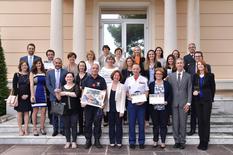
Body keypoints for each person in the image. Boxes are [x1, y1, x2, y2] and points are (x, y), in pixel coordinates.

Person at [167, 58, 192, 149]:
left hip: (184, 103)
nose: (179, 64)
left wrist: (188, 103)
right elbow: (168, 90)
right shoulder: (171, 76)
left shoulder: (188, 76)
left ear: (183, 64)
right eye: (178, 63)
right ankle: (176, 141)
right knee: (175, 123)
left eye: (181, 63)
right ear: (175, 65)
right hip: (173, 103)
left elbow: (189, 90)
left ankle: (182, 141)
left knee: (183, 123)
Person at [81, 63, 107, 149]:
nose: (95, 70)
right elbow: (83, 92)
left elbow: (104, 92)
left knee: (97, 123)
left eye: (96, 68)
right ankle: (88, 140)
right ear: (91, 69)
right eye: (93, 68)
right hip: (88, 106)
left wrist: (103, 103)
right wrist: (82, 101)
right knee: (88, 123)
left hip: (98, 107)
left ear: (98, 69)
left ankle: (97, 140)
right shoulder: (86, 79)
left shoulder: (102, 80)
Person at [124, 64, 149, 149]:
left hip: (141, 104)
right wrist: (130, 96)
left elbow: (146, 91)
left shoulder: (144, 79)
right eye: (134, 69)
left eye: (137, 69)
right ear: (132, 70)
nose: (135, 70)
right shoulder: (128, 79)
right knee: (131, 123)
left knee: (141, 123)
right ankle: (132, 142)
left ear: (140, 69)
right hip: (131, 104)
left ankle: (141, 141)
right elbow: (126, 91)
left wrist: (143, 100)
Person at [192, 60, 215, 150]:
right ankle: (201, 140)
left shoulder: (210, 75)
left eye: (201, 64)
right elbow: (195, 87)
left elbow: (213, 88)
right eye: (198, 65)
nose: (200, 66)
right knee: (200, 121)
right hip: (198, 101)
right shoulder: (195, 76)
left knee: (206, 121)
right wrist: (194, 92)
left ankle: (205, 141)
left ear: (204, 66)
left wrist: (211, 99)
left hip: (206, 101)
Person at [187, 51, 212, 136]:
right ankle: (192, 129)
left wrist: (210, 98)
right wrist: (195, 91)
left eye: (199, 56)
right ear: (193, 57)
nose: (197, 57)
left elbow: (210, 84)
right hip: (194, 95)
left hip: (205, 98)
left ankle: (204, 134)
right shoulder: (190, 66)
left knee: (204, 118)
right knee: (193, 114)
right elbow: (194, 81)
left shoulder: (207, 67)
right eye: (196, 56)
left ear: (202, 57)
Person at [56, 72, 81, 149]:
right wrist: (57, 93)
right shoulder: (62, 87)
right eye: (68, 77)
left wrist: (66, 93)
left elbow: (76, 94)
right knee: (66, 126)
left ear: (73, 78)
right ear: (65, 78)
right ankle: (67, 142)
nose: (69, 78)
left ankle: (74, 142)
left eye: (71, 77)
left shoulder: (76, 86)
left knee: (74, 126)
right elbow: (59, 98)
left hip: (74, 110)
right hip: (65, 110)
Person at [149, 68, 172, 148]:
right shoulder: (151, 84)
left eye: (160, 74)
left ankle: (163, 141)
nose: (158, 75)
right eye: (157, 74)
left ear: (162, 75)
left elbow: (170, 95)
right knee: (155, 125)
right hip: (154, 109)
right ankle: (155, 141)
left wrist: (167, 102)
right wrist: (151, 100)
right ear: (155, 75)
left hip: (164, 109)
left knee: (163, 125)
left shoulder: (167, 84)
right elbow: (149, 95)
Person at [46, 58, 68, 136]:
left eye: (59, 63)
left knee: (62, 113)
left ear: (61, 63)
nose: (57, 64)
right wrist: (55, 93)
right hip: (53, 96)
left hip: (62, 96)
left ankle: (62, 129)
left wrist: (60, 93)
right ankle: (55, 130)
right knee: (55, 114)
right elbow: (48, 85)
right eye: (56, 63)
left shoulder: (65, 72)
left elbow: (67, 83)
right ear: (54, 63)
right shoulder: (49, 73)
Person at [104, 70, 126, 148]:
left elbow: (123, 99)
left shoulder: (123, 86)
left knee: (119, 125)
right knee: (111, 125)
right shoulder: (108, 85)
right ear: (113, 76)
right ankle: (112, 141)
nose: (116, 77)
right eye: (115, 75)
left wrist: (122, 111)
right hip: (110, 109)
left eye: (118, 76)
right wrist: (105, 109)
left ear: (120, 77)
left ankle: (119, 141)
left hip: (118, 109)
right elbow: (105, 98)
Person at [13, 61, 31, 136]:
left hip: (28, 96)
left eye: (26, 65)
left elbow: (31, 87)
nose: (24, 66)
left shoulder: (30, 74)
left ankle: (26, 129)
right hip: (19, 97)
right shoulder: (16, 75)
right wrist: (20, 96)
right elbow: (14, 86)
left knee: (27, 113)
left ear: (27, 66)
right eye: (23, 65)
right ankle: (20, 130)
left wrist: (28, 95)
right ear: (20, 66)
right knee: (19, 113)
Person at [143, 49, 162, 127]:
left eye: (152, 54)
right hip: (147, 85)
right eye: (149, 54)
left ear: (154, 55)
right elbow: (142, 75)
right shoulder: (144, 64)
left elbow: (161, 73)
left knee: (156, 101)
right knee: (147, 102)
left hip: (156, 84)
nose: (151, 55)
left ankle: (157, 119)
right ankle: (146, 120)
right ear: (147, 55)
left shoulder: (158, 63)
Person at [29, 59, 47, 136]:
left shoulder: (44, 72)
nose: (38, 64)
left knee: (43, 112)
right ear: (35, 65)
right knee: (35, 112)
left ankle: (42, 128)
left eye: (40, 63)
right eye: (37, 63)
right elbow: (31, 84)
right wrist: (32, 95)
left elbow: (46, 84)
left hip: (43, 92)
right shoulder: (32, 73)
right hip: (36, 92)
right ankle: (34, 128)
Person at [76, 61, 89, 135]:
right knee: (80, 114)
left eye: (83, 66)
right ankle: (80, 130)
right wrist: (79, 88)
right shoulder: (76, 76)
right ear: (78, 67)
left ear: (85, 67)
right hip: (77, 97)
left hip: (86, 97)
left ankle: (86, 130)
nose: (81, 67)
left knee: (86, 114)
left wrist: (83, 88)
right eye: (80, 66)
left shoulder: (88, 76)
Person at [44, 49, 55, 125]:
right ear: (47, 56)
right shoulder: (44, 64)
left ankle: (56, 118)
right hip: (47, 85)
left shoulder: (56, 63)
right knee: (49, 103)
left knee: (55, 103)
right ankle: (51, 118)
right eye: (49, 54)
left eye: (51, 54)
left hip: (55, 85)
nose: (50, 56)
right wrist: (46, 72)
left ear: (53, 55)